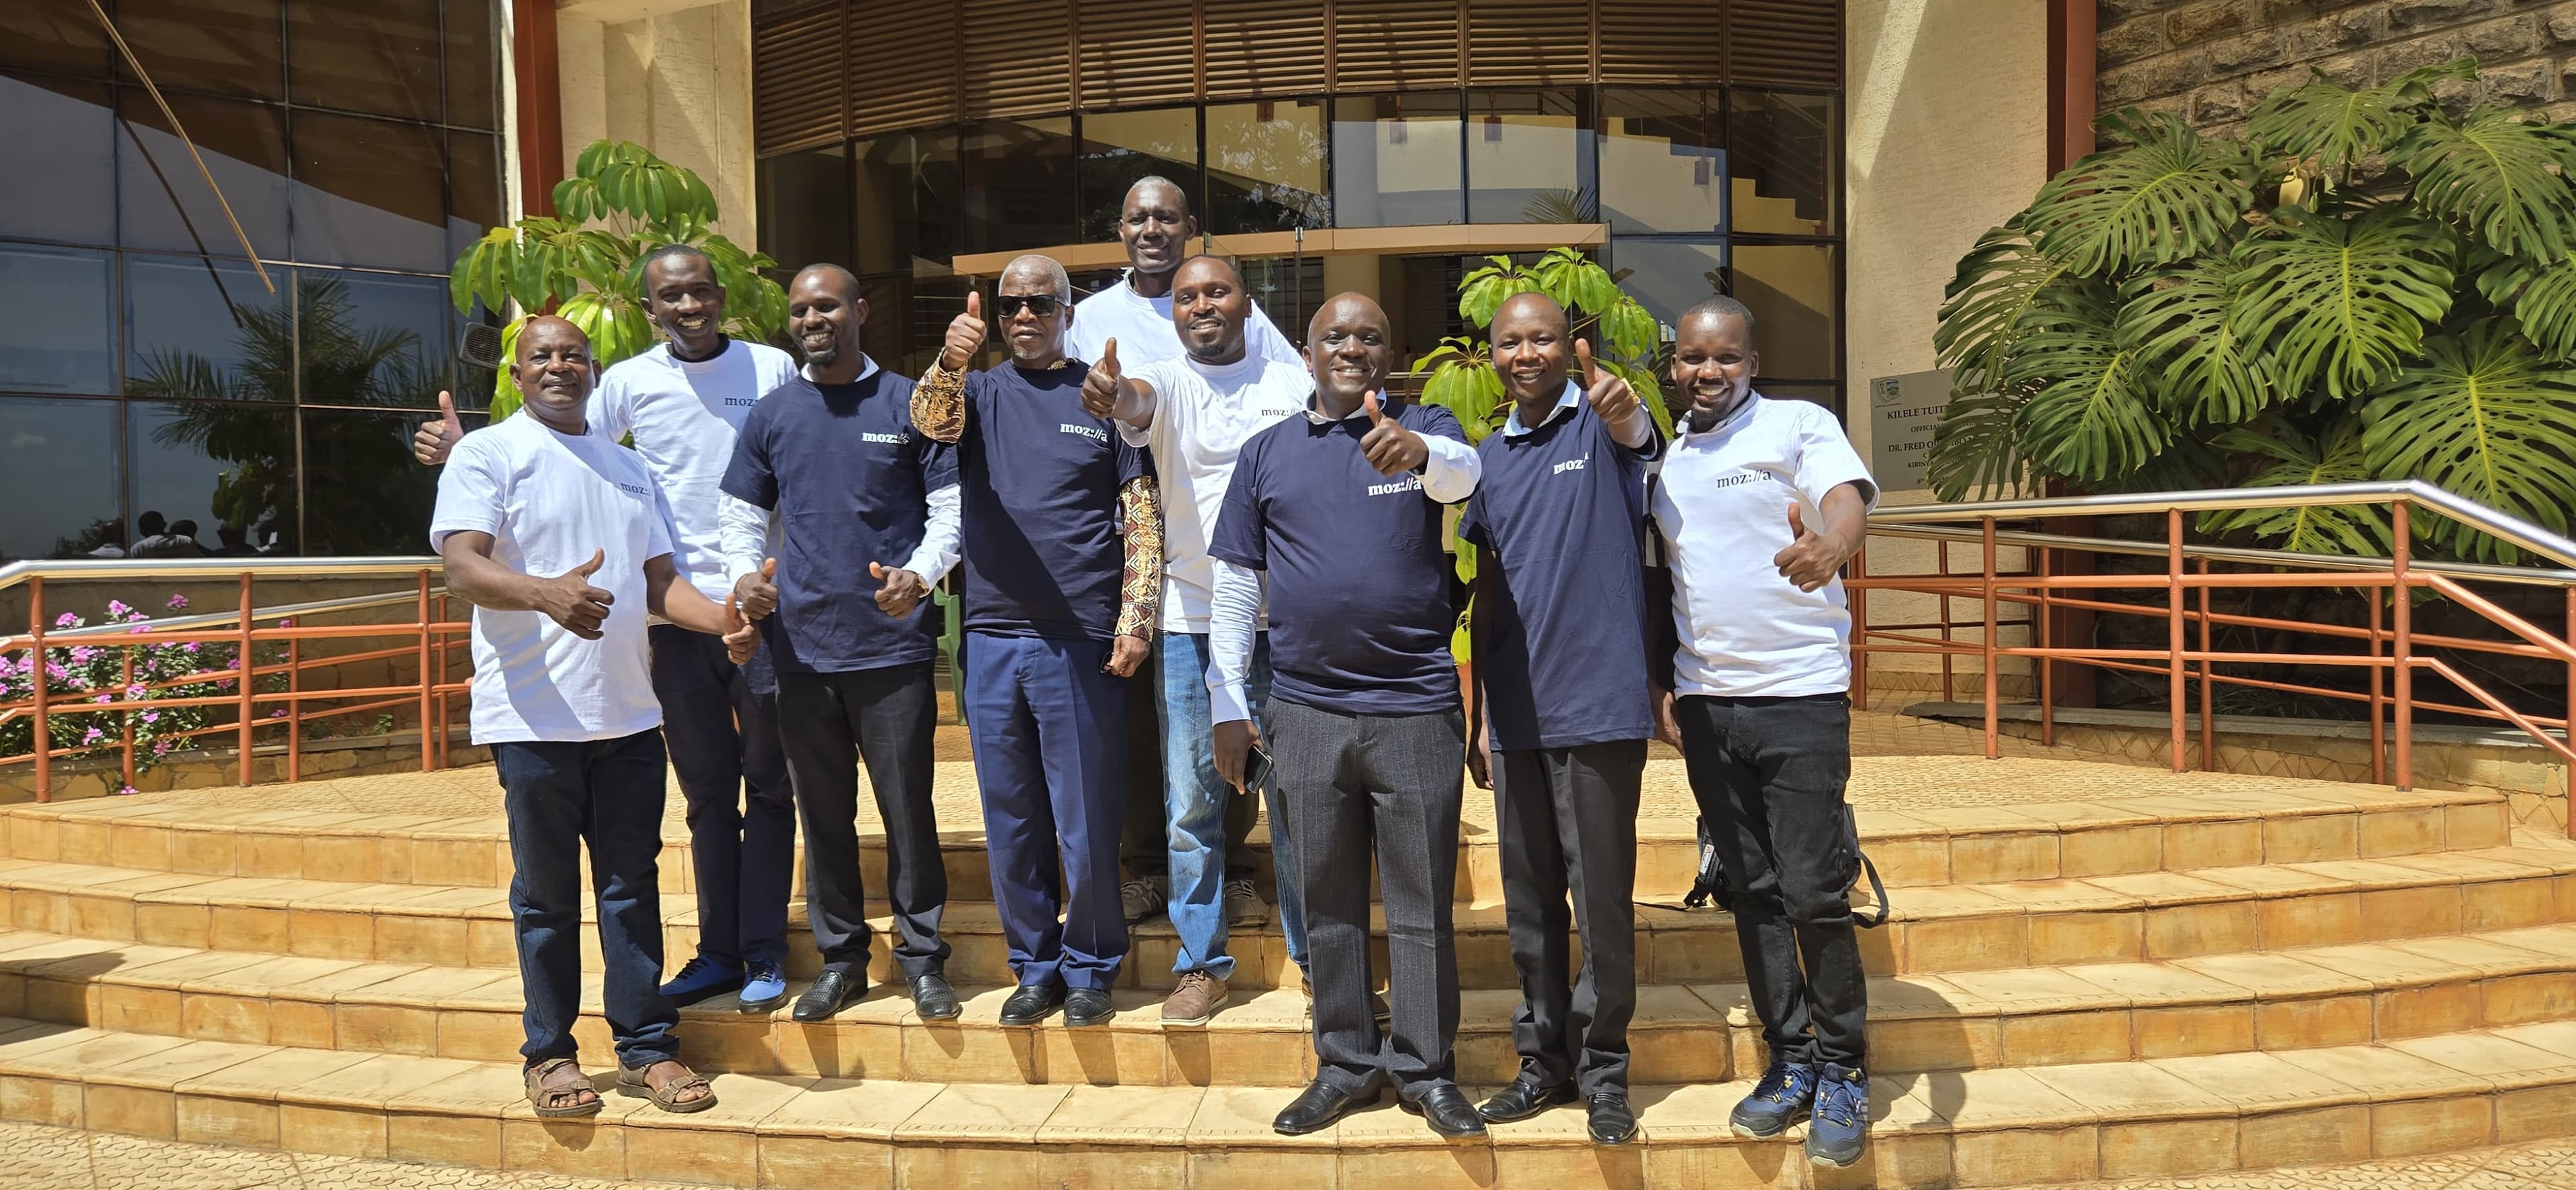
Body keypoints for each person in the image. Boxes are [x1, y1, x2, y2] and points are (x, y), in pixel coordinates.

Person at [415, 244, 801, 1016]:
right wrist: (468, 458)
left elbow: (791, 468)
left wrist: (755, 601)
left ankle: (755, 952)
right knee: (698, 799)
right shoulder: (624, 384)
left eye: (698, 293)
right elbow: (542, 459)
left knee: (763, 790)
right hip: (660, 633)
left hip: (749, 611)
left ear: (719, 297)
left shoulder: (770, 371)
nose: (687, 307)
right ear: (649, 310)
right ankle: (711, 954)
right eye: (670, 298)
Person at [429, 315, 755, 1121]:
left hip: (629, 719)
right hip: (533, 720)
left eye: (573, 354)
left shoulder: (631, 469)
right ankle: (550, 1054)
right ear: (517, 370)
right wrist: (545, 592)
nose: (558, 366)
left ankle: (646, 1047)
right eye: (541, 355)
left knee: (629, 888)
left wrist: (729, 621)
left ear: (594, 370)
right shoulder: (489, 453)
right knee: (545, 897)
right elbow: (460, 564)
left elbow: (659, 587)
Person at [1203, 293, 1485, 1137]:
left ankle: (1426, 1068)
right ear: (1308, 349)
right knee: (1324, 897)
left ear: (1388, 353)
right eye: (1336, 335)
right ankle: (1346, 1062)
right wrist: (1226, 698)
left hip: (1415, 706)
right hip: (1306, 708)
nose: (1352, 346)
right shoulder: (1267, 454)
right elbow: (1235, 585)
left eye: (1370, 335)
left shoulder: (1421, 424)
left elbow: (1465, 474)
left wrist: (1421, 449)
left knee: (1422, 898)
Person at [1650, 296, 1878, 1171]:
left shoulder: (1797, 425)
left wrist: (1834, 547)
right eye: (1693, 358)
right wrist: (1661, 685)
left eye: (1726, 357)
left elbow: (1844, 501)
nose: (1709, 372)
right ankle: (1789, 1061)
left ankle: (1845, 1066)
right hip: (1709, 704)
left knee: (1817, 890)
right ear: (1676, 363)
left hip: (1800, 696)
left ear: (1753, 361)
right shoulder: (1668, 458)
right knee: (1751, 886)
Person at [912, 254, 1161, 1029]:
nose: (1024, 316)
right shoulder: (977, 392)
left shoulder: (1099, 395)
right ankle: (1035, 964)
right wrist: (952, 357)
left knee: (1085, 818)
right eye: (1011, 304)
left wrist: (1137, 616)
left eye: (1040, 303)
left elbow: (1143, 514)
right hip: (989, 634)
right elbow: (930, 420)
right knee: (1010, 815)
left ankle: (1091, 965)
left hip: (1081, 638)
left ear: (1067, 311)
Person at [719, 264, 962, 1024]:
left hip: (891, 649)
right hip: (799, 650)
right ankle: (844, 960)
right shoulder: (772, 414)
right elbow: (737, 516)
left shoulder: (906, 403)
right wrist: (742, 580)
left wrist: (920, 577)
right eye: (799, 309)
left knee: (906, 811)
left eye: (826, 305)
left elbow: (949, 507)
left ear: (859, 310)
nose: (811, 318)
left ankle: (923, 959)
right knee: (823, 814)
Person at [1067, 176, 1300, 932]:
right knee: (1159, 734)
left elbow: (1307, 402)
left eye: (1167, 217)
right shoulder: (1096, 317)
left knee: (1245, 746)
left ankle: (1239, 878)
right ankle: (1155, 877)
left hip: (1260, 582)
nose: (1153, 228)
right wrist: (1109, 393)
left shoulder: (1263, 343)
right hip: (1138, 540)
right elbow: (1126, 394)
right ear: (1121, 230)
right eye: (1138, 217)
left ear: (1190, 228)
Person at [1087, 254, 1313, 1025]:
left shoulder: (1290, 385)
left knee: (1296, 800)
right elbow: (1137, 401)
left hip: (1289, 625)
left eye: (1217, 291)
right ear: (1174, 311)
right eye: (1187, 296)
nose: (1202, 305)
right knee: (1191, 802)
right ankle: (1201, 963)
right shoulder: (1165, 380)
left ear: (1247, 302)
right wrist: (1114, 394)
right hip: (1191, 622)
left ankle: (1317, 959)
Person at [1458, 292, 1660, 1147]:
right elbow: (1489, 585)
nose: (1527, 354)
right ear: (1493, 353)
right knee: (1531, 900)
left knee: (1601, 901)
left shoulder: (1601, 428)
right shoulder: (1488, 456)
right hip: (1517, 712)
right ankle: (1544, 1062)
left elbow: (1638, 433)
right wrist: (1477, 721)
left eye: (1543, 339)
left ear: (1568, 346)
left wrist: (1625, 407)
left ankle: (1605, 1069)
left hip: (1599, 705)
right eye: (1512, 342)